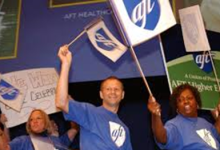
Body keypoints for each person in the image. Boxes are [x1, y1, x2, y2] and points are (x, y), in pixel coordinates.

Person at [55, 44, 133, 150]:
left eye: (116, 89)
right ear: (101, 94)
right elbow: (61, 102)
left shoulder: (124, 129)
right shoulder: (89, 112)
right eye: (108, 89)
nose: (112, 92)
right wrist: (65, 64)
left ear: (122, 94)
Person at [148, 83, 220, 150]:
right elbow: (162, 137)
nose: (186, 101)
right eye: (180, 100)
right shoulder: (174, 125)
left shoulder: (204, 122)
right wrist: (155, 115)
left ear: (197, 104)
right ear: (177, 108)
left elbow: (216, 133)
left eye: (189, 98)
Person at [0, 109, 79, 150]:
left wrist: (69, 108)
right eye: (31, 119)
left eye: (38, 118)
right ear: (29, 124)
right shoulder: (23, 141)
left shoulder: (57, 140)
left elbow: (75, 128)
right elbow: (4, 148)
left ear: (45, 122)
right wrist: (3, 125)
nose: (34, 121)